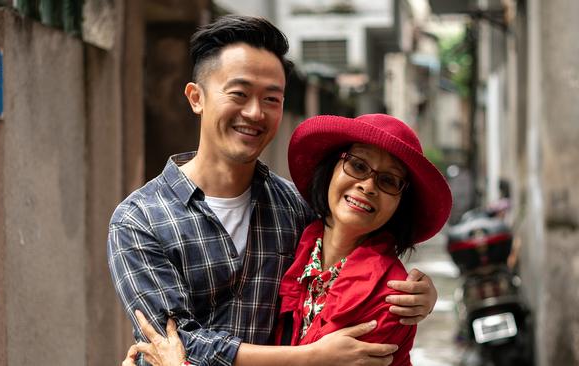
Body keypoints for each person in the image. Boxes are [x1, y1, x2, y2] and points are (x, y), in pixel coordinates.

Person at [109, 15, 439, 366]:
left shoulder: (296, 210)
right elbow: (173, 342)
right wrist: (310, 357)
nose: (254, 112)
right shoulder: (139, 219)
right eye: (239, 94)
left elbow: (356, 252)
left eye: (271, 99)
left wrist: (422, 294)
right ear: (196, 97)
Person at [122, 114, 453, 366]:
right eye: (357, 165)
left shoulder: (393, 296)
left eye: (388, 181)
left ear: (400, 204)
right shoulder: (300, 237)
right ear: (331, 169)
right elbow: (175, 334)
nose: (367, 185)